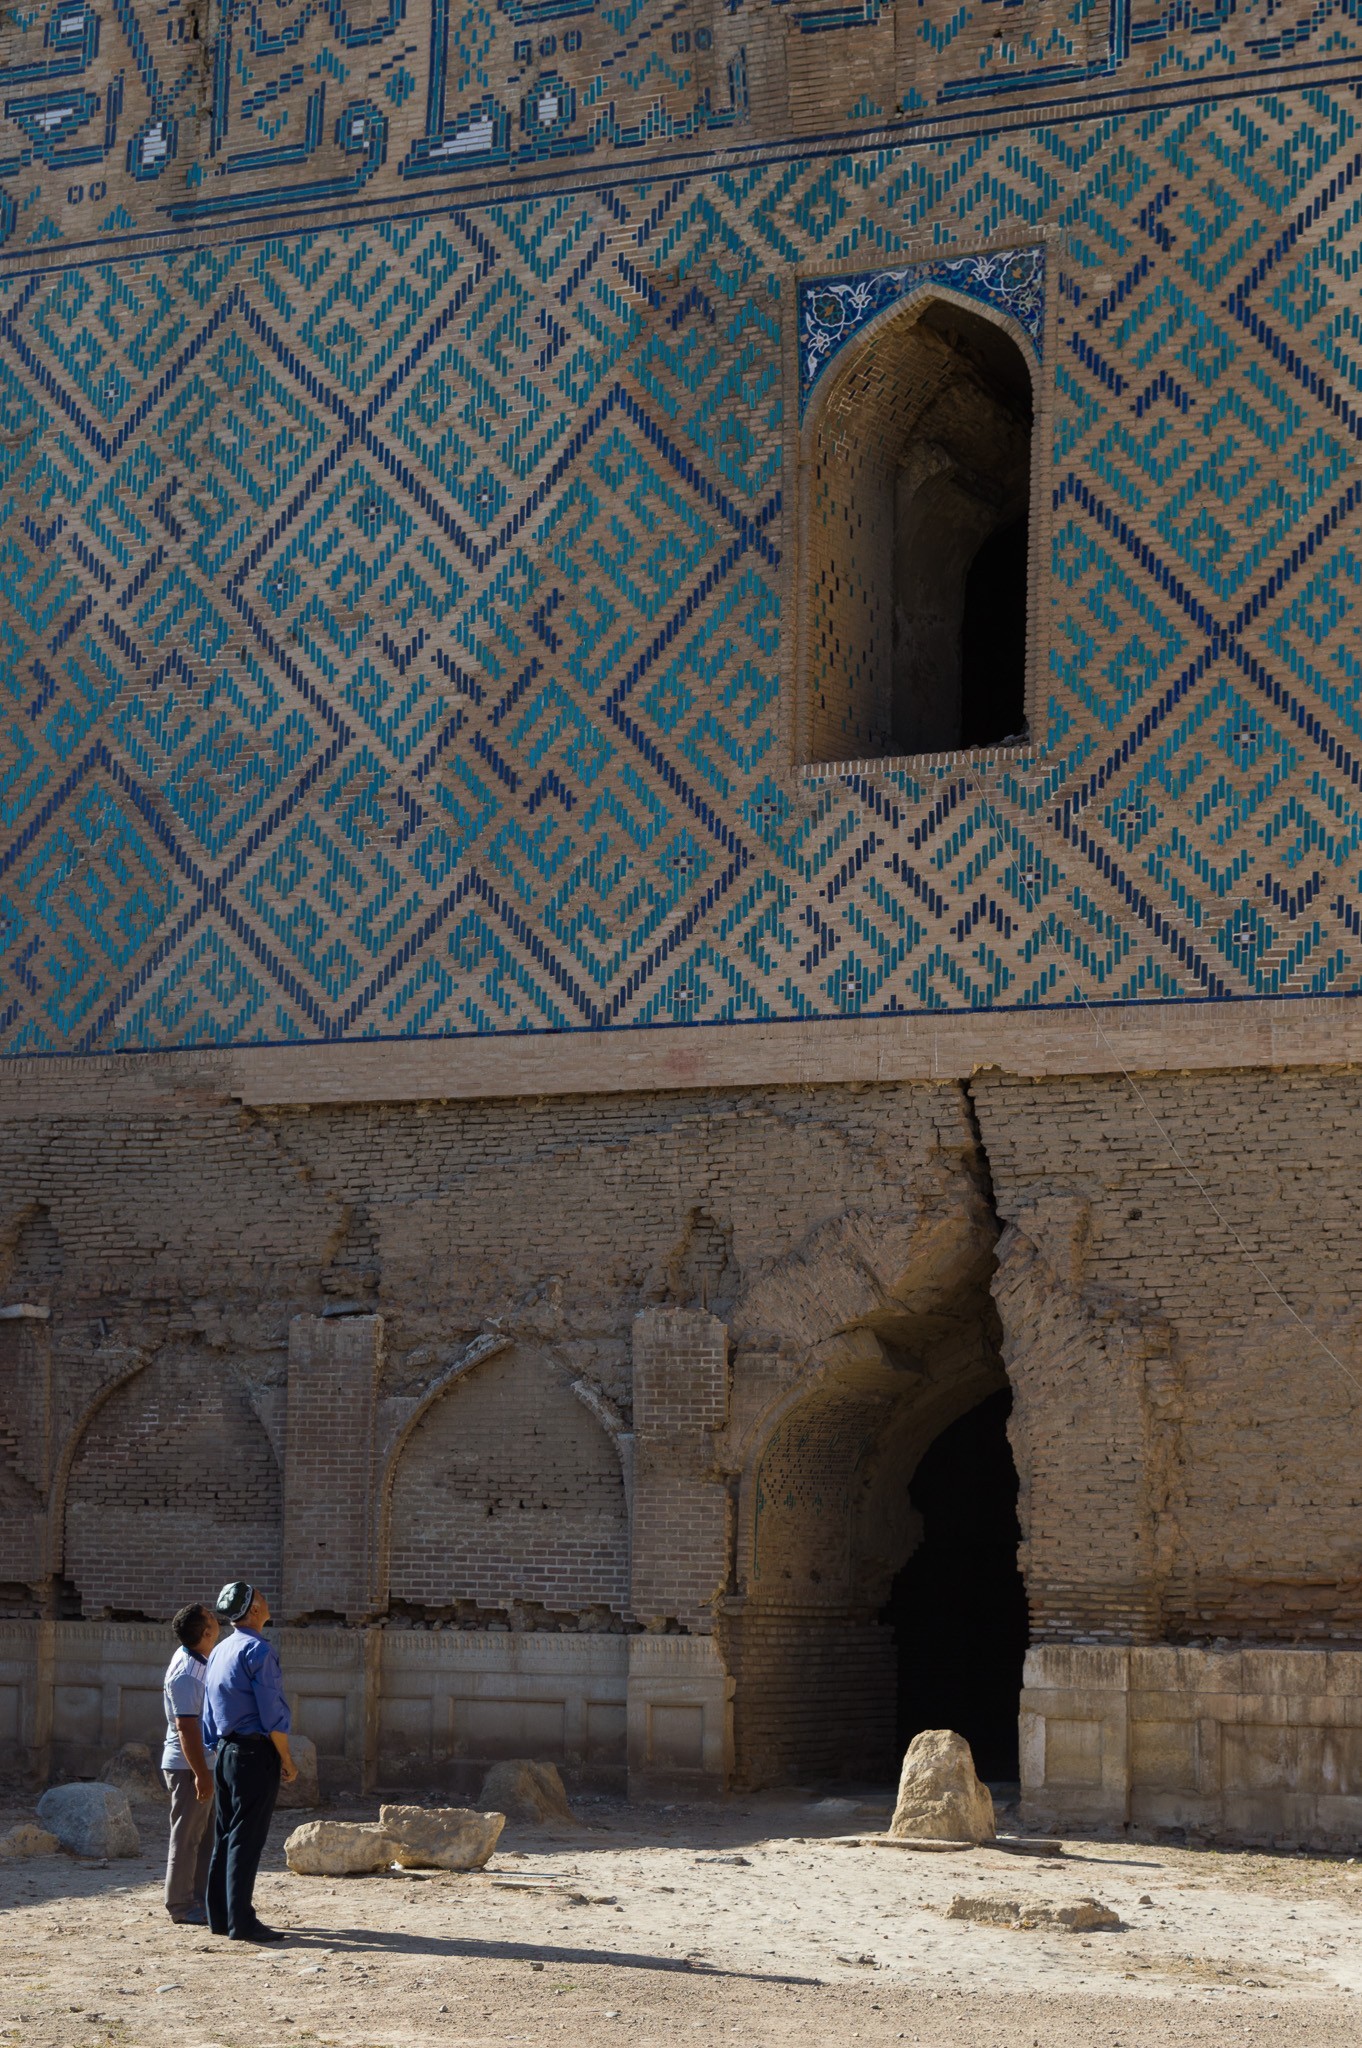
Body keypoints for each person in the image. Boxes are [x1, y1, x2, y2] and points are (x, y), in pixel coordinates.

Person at [201, 1580, 297, 1943]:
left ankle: (220, 1915)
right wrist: (286, 1758)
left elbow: (208, 1709)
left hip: (226, 1751)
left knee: (225, 1834)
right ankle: (242, 1920)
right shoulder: (259, 1651)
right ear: (254, 1610)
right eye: (262, 1597)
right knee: (247, 1837)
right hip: (254, 1753)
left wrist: (217, 1748)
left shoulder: (221, 1650)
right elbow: (272, 1712)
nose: (267, 1600)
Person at [161, 1602, 220, 1925]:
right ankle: (181, 1905)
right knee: (186, 1837)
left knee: (205, 1836)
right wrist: (200, 1774)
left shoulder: (200, 1660)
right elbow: (186, 1726)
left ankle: (201, 1899)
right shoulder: (186, 1672)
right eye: (211, 1616)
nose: (216, 1616)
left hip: (203, 1763)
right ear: (206, 1632)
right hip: (188, 1766)